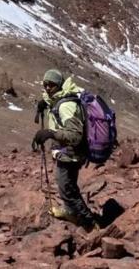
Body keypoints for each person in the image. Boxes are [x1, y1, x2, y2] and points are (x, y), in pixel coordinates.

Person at [32, 68, 98, 229]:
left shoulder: (65, 106)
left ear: (60, 85)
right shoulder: (59, 98)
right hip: (67, 152)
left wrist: (50, 133)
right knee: (66, 185)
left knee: (67, 189)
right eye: (45, 84)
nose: (48, 88)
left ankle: (90, 224)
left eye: (52, 85)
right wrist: (45, 103)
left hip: (71, 154)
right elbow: (53, 99)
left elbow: (75, 135)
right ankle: (70, 211)